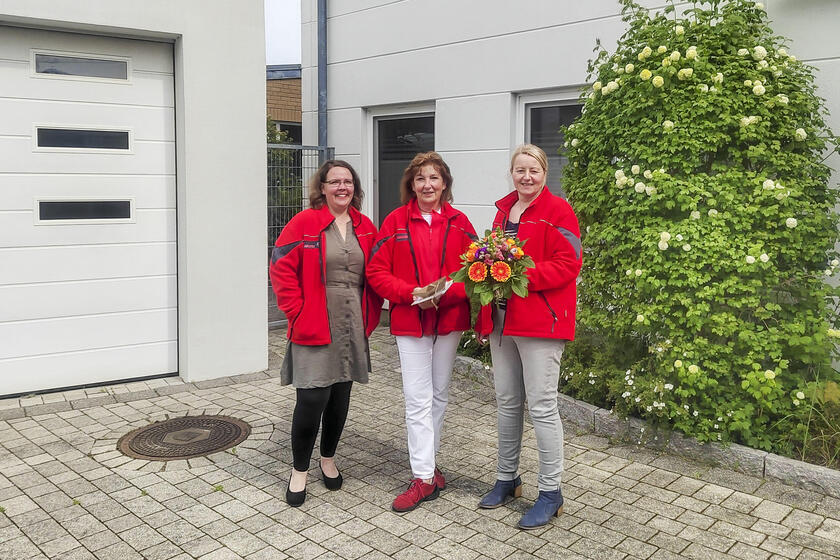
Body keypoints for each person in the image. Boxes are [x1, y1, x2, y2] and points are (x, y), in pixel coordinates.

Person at [475, 144, 582, 529]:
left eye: (533, 170)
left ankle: (551, 493)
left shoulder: (559, 211)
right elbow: (491, 263)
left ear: (544, 173)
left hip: (540, 321)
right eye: (520, 170)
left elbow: (570, 263)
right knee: (507, 401)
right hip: (503, 320)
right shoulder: (503, 212)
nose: (526, 177)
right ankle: (507, 479)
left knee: (541, 406)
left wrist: (520, 276)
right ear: (512, 173)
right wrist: (485, 311)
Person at [367, 152, 477, 513]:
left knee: (439, 395)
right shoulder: (395, 221)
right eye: (420, 179)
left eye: (434, 178)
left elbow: (474, 272)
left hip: (448, 319)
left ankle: (428, 466)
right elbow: (377, 272)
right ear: (411, 185)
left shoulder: (460, 223)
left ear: (444, 183)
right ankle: (423, 476)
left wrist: (446, 294)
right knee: (417, 398)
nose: (427, 185)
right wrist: (411, 294)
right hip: (410, 320)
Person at [269, 160, 383, 507]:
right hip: (314, 321)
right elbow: (280, 266)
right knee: (311, 399)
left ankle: (328, 459)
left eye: (347, 182)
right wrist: (296, 311)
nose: (342, 187)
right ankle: (299, 470)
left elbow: (378, 271)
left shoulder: (366, 226)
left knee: (339, 397)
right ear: (322, 188)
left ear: (355, 188)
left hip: (351, 323)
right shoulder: (304, 223)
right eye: (334, 182)